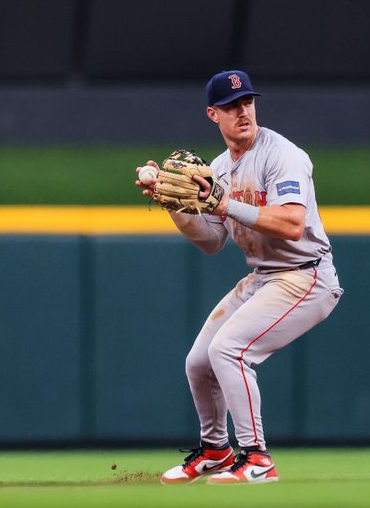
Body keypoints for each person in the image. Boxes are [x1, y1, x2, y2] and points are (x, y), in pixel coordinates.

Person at [136, 70, 342, 484]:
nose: (242, 110)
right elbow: (212, 241)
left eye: (247, 101)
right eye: (231, 106)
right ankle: (215, 450)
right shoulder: (217, 169)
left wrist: (224, 203)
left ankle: (257, 458)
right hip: (265, 277)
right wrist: (173, 204)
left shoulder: (282, 154)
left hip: (307, 276)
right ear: (214, 114)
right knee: (199, 362)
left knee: (229, 349)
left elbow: (291, 225)